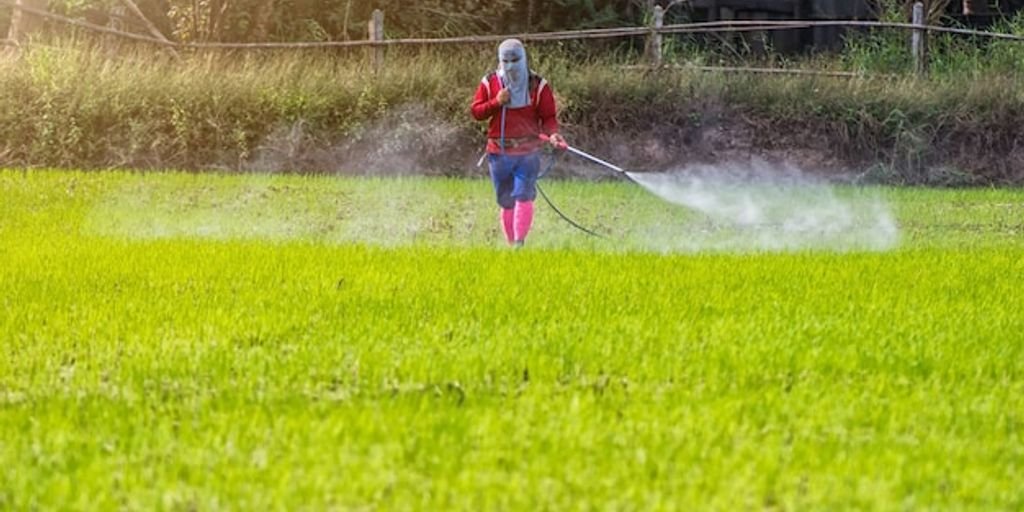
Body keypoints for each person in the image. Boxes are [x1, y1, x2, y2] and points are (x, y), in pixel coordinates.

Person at [471, 39, 566, 248]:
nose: (511, 65)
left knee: (523, 195)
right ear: (499, 60)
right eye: (506, 61)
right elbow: (476, 112)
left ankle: (519, 245)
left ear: (523, 59)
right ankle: (511, 242)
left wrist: (553, 134)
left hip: (528, 152)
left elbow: (548, 117)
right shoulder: (490, 83)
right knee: (506, 201)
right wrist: (496, 102)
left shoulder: (538, 86)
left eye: (515, 60)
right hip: (498, 151)